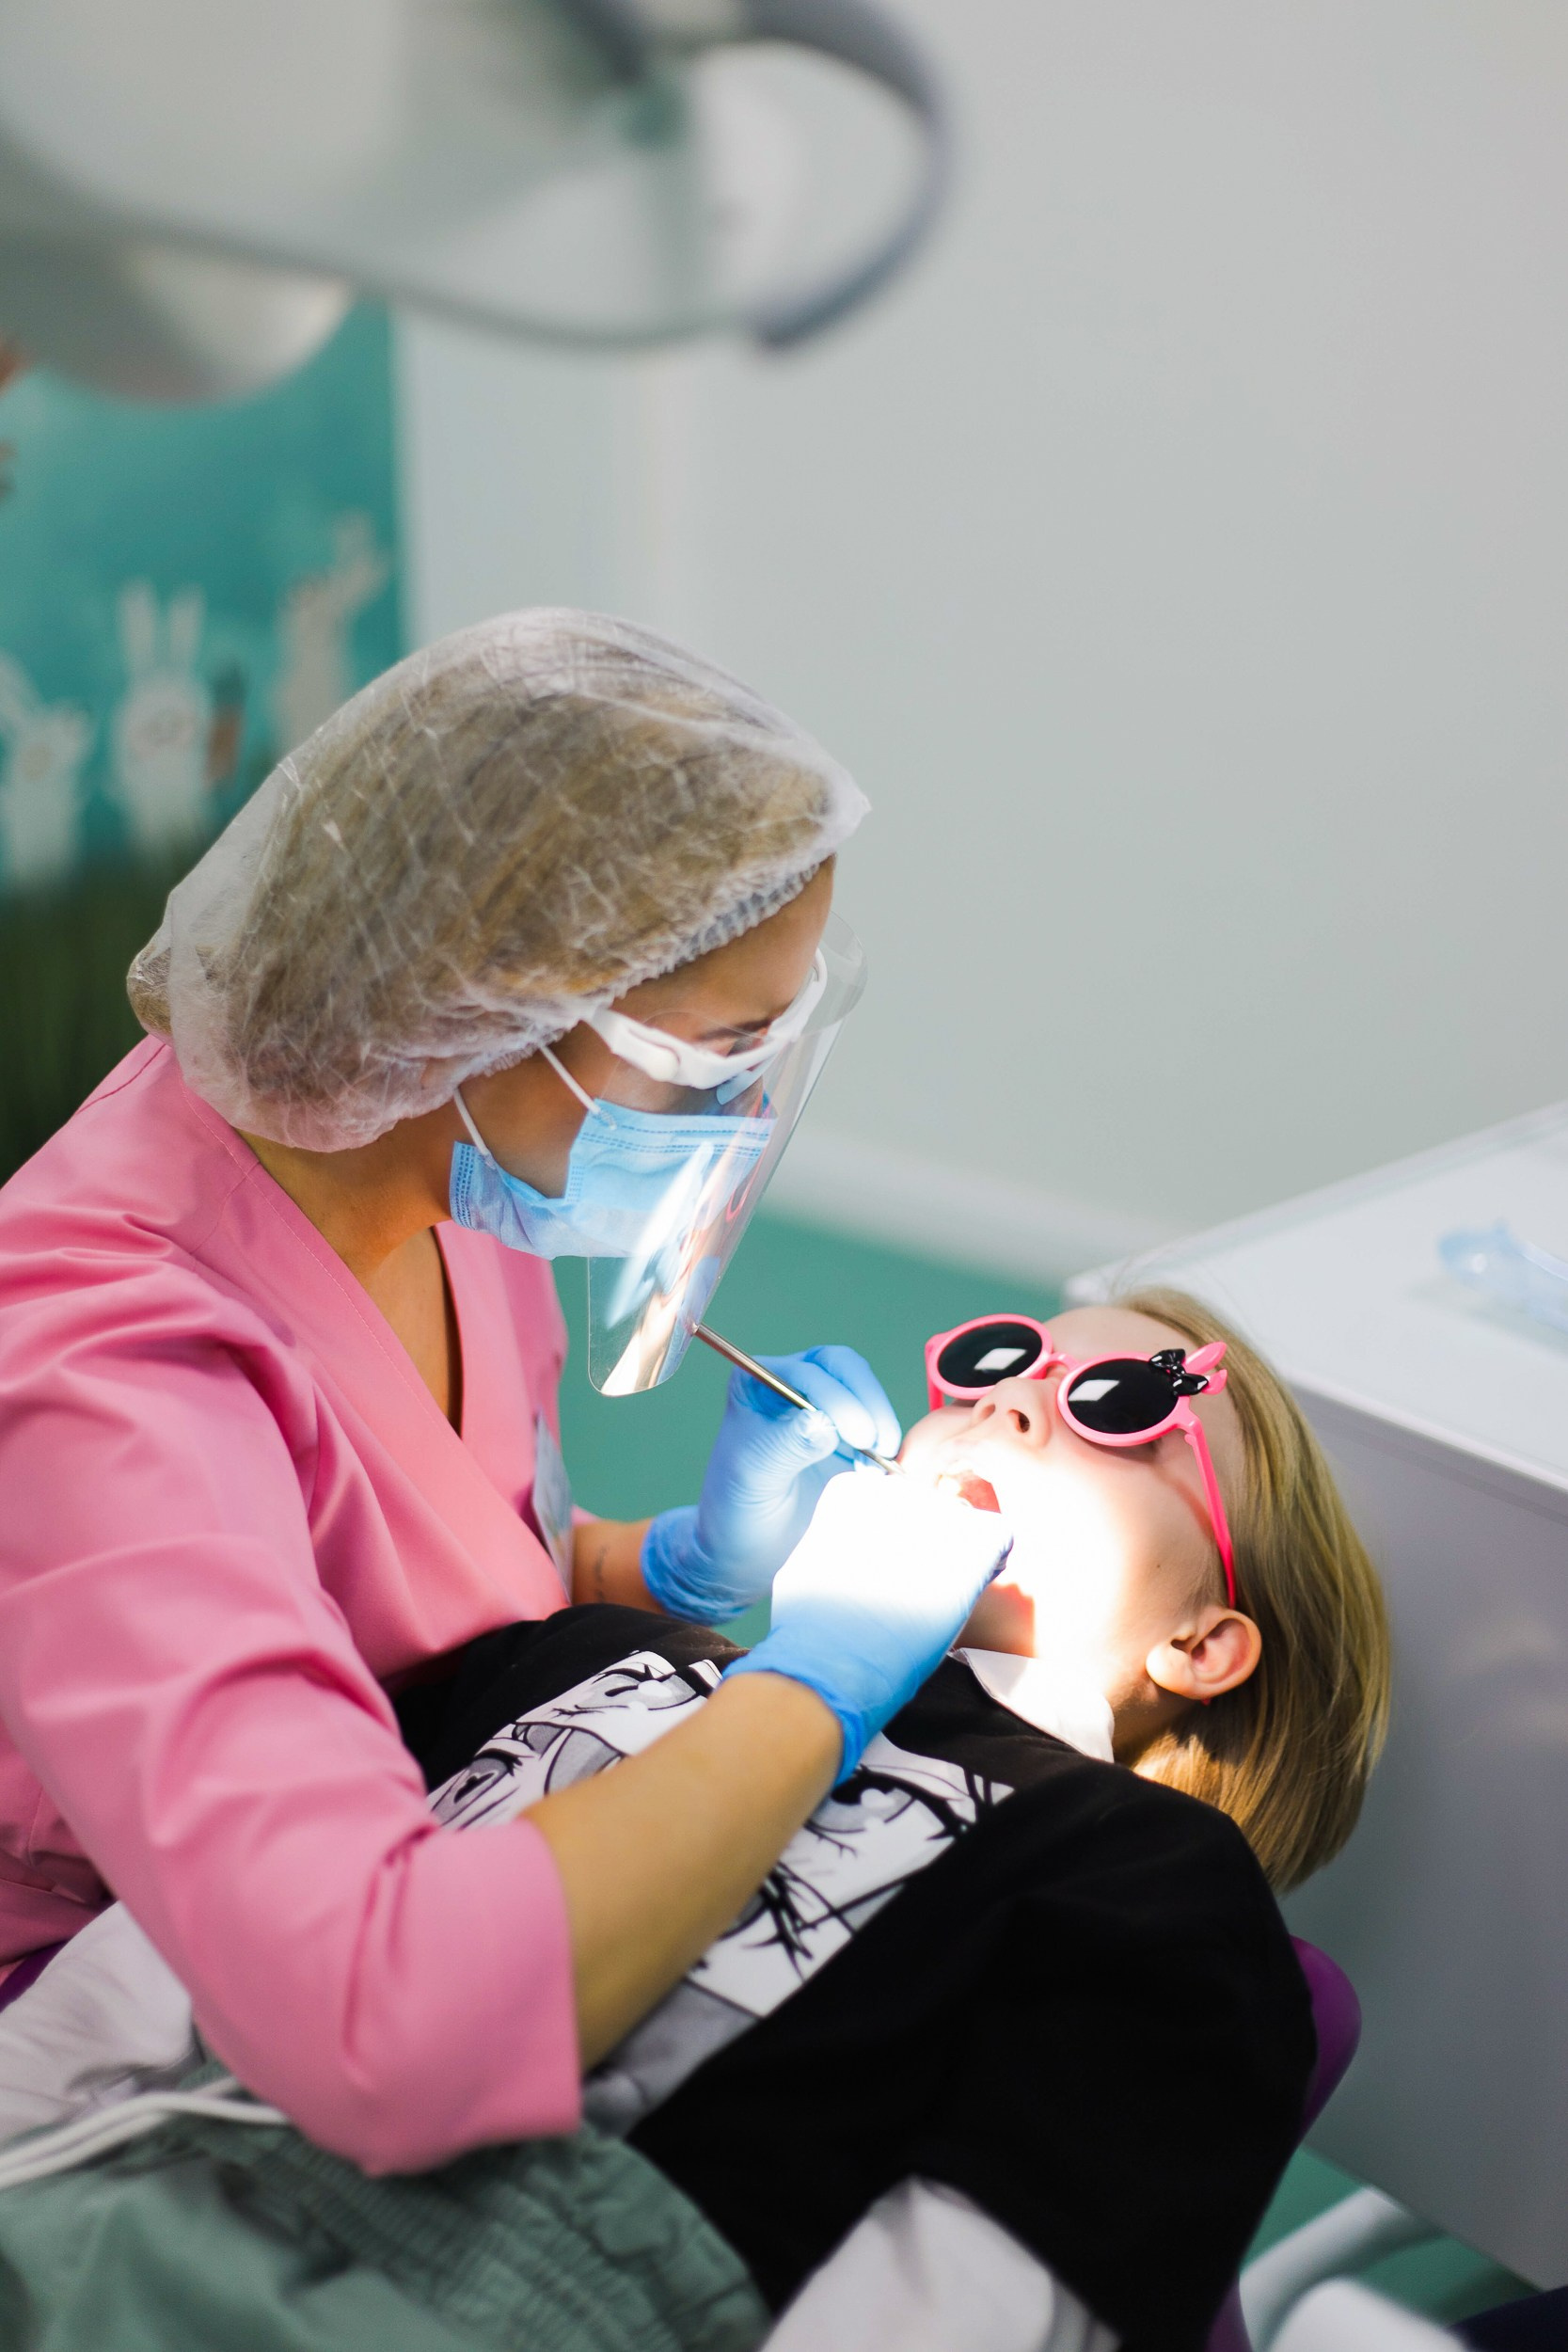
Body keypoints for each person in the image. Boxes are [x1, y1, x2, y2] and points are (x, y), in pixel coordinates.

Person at [0, 609, 1011, 2177]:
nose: (743, 1115)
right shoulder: (110, 1372)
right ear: (497, 1002)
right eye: (718, 1057)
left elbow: (417, 1578)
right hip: (94, 2045)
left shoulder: (442, 1162)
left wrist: (670, 1568)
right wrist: (812, 1686)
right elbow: (383, 2026)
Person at [380, 1286, 1393, 2351]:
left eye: (1120, 1404)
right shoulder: (598, 1649)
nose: (1006, 1402)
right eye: (999, 1362)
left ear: (1197, 1644)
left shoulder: (1154, 1883)